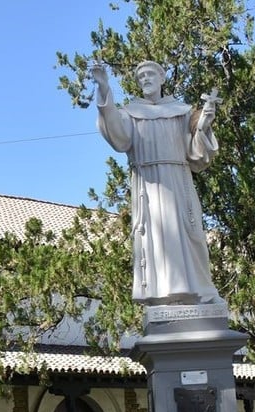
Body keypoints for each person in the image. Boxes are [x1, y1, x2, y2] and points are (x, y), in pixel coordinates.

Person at [91, 60, 222, 305]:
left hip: (178, 181)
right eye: (141, 77)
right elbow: (118, 136)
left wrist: (203, 126)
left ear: (162, 78)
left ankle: (202, 291)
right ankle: (162, 295)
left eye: (150, 74)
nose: (146, 79)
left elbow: (196, 156)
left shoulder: (181, 112)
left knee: (190, 234)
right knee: (155, 239)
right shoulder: (131, 113)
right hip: (148, 186)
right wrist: (104, 90)